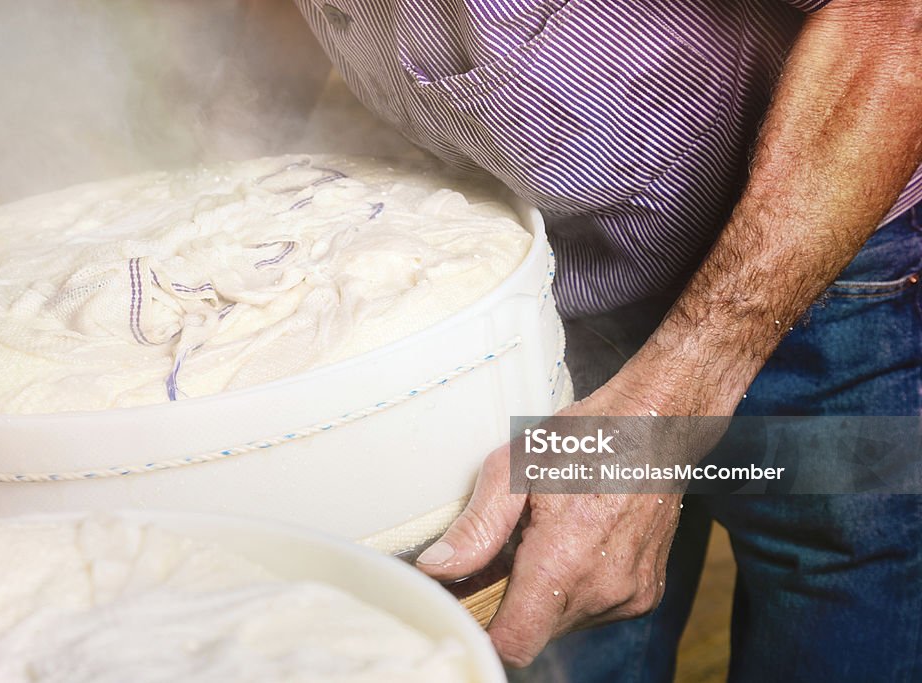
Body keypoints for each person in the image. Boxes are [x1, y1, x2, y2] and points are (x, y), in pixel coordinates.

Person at [288, 1, 922, 680]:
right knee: (574, 616)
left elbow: (890, 16)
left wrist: (667, 407)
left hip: (817, 259)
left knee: (833, 592)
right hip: (557, 279)